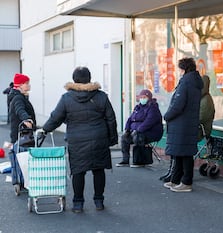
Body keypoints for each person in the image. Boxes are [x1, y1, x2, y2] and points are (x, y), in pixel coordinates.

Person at [42, 66, 118, 213]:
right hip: (99, 138)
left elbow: (56, 117)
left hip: (77, 140)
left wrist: (45, 130)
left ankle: (78, 203)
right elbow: (111, 119)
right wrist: (112, 138)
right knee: (98, 170)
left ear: (74, 79)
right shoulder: (101, 96)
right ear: (89, 78)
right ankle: (99, 201)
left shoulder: (67, 98)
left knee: (78, 171)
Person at [159, 74, 215, 183]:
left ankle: (177, 175)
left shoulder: (206, 100)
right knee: (176, 145)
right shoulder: (198, 98)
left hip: (199, 130)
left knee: (180, 145)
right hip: (192, 127)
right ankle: (173, 172)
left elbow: (200, 118)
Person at [163, 57, 203, 192]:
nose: (178, 71)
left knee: (184, 153)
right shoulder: (194, 82)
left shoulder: (186, 82)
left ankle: (186, 182)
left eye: (180, 68)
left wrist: (167, 116)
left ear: (184, 69)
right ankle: (176, 180)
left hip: (182, 122)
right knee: (181, 152)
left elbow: (178, 104)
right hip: (187, 122)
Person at [116, 89, 163, 168]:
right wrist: (127, 129)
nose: (142, 99)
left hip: (151, 132)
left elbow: (149, 122)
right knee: (124, 137)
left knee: (138, 137)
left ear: (149, 98)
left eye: (144, 97)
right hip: (136, 131)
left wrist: (138, 130)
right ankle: (125, 160)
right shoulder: (137, 107)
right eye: (141, 97)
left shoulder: (153, 108)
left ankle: (138, 161)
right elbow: (130, 119)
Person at [9, 74, 35, 144]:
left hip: (22, 133)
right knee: (21, 153)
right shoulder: (18, 98)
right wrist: (26, 119)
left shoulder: (20, 96)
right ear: (20, 85)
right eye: (26, 83)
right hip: (21, 135)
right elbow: (20, 110)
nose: (29, 85)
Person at [198, 75, 215, 141]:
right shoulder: (202, 98)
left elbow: (200, 118)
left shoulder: (206, 100)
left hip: (201, 131)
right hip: (197, 128)